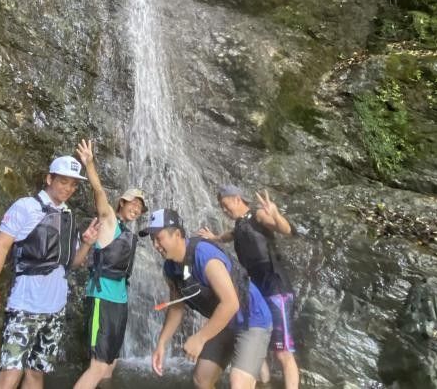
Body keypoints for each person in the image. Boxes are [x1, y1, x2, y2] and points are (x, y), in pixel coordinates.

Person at [0, 154, 100, 389]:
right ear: (49, 179)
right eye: (63, 181)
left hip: (54, 309)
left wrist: (86, 243)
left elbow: (72, 263)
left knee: (36, 373)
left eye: (73, 184)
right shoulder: (25, 207)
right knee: (10, 374)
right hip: (26, 305)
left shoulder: (68, 216)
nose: (69, 188)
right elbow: (2, 245)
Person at [143, 208, 272, 389]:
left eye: (159, 237)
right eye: (152, 239)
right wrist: (162, 343)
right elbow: (176, 307)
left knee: (238, 383)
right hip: (224, 323)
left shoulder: (204, 255)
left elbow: (230, 303)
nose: (155, 244)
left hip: (252, 319)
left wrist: (200, 338)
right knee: (201, 380)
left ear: (177, 234)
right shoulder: (170, 269)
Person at [198, 185, 300, 389]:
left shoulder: (259, 215)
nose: (224, 210)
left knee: (282, 352)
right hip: (256, 292)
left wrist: (276, 215)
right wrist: (214, 238)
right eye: (221, 208)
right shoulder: (239, 226)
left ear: (237, 199)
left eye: (225, 205)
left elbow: (285, 229)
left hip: (275, 289)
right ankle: (264, 384)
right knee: (257, 343)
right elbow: (228, 235)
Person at [73, 139, 148, 389]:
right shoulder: (108, 222)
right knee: (97, 366)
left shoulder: (128, 232)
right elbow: (99, 193)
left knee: (110, 364)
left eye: (140, 207)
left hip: (120, 302)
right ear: (121, 204)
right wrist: (90, 163)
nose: (136, 209)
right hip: (102, 299)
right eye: (132, 203)